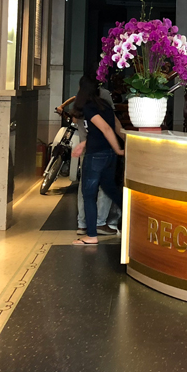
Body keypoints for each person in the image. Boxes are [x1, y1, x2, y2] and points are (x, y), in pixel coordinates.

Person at [71, 75, 125, 245]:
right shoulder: (105, 105)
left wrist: (119, 149)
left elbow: (106, 129)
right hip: (108, 155)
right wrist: (84, 144)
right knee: (110, 189)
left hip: (96, 156)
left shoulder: (89, 107)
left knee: (88, 194)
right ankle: (133, 216)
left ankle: (91, 235)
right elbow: (109, 129)